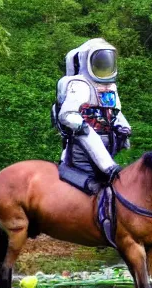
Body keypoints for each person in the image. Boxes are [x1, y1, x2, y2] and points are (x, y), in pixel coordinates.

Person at [54, 38, 131, 194]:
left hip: (107, 138)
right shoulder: (80, 85)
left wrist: (123, 127)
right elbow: (66, 114)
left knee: (120, 131)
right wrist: (81, 125)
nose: (104, 66)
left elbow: (115, 112)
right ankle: (110, 168)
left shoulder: (110, 87)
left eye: (107, 62)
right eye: (100, 62)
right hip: (82, 139)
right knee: (88, 133)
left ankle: (109, 171)